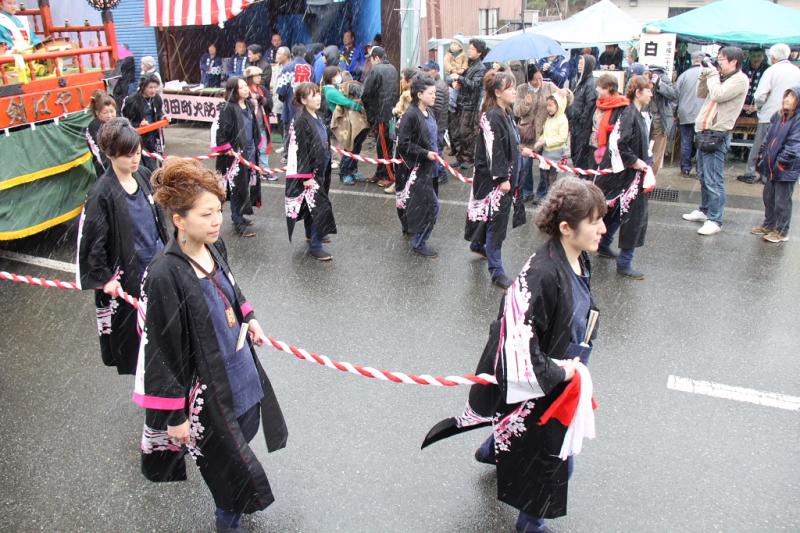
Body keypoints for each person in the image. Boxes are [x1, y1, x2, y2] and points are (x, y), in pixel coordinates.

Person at [423, 176, 605, 533]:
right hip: (542, 373)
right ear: (567, 228)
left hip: (561, 366)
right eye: (594, 221)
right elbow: (520, 346)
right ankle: (530, 522)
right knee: (556, 455)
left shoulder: (580, 259)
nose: (602, 228)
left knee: (527, 433)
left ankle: (491, 449)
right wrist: (562, 373)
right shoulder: (541, 274)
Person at [135, 158, 288, 532]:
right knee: (227, 476)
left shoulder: (215, 247)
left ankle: (238, 496)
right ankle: (229, 519)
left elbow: (233, 291)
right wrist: (176, 416)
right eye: (206, 214)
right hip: (208, 393)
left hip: (241, 377)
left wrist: (250, 318)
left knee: (242, 443)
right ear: (179, 220)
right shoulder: (164, 275)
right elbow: (161, 351)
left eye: (218, 210)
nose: (217, 220)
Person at [76, 117, 168, 375]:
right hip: (130, 277)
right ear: (110, 154)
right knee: (141, 343)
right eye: (128, 155)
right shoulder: (101, 194)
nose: (135, 159)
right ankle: (154, 394)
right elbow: (93, 242)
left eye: (137, 152)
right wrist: (105, 279)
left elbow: (157, 219)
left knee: (167, 331)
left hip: (157, 265)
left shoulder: (143, 174)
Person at [465, 71, 532, 289]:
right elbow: (494, 149)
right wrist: (502, 178)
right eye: (510, 88)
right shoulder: (492, 115)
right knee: (497, 222)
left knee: (490, 218)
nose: (514, 91)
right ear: (497, 92)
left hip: (504, 177)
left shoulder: (506, 112)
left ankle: (478, 244)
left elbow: (507, 143)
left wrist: (519, 150)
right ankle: (496, 271)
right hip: (494, 180)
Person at [682, 47, 749, 236]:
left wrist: (711, 75)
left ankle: (715, 219)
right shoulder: (720, 77)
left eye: (722, 60)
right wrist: (705, 75)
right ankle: (704, 211)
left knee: (714, 179)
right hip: (704, 130)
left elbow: (719, 95)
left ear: (734, 61)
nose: (718, 63)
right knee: (703, 176)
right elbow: (702, 93)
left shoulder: (739, 79)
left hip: (717, 134)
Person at [595, 75, 653, 280]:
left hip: (626, 174)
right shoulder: (630, 113)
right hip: (626, 175)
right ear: (638, 92)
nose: (651, 94)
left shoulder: (635, 112)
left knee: (616, 212)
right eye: (648, 90)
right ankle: (624, 262)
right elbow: (620, 143)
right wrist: (635, 161)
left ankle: (603, 244)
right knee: (632, 216)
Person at [284, 83, 337, 261]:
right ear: (303, 100)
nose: (317, 98)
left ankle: (311, 234)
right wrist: (305, 176)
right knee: (318, 207)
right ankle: (315, 246)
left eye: (317, 94)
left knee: (310, 207)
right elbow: (299, 150)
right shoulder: (300, 120)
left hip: (321, 170)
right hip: (310, 173)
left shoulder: (316, 116)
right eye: (312, 95)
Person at [739, 44, 800, 184]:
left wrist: (757, 107)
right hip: (791, 116)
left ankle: (752, 172)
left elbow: (760, 95)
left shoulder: (771, 71)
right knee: (781, 146)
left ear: (773, 58)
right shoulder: (797, 71)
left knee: (761, 145)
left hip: (769, 114)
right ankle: (772, 174)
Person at [394, 74, 440, 257]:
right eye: (431, 93)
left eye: (435, 93)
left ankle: (413, 230)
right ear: (419, 94)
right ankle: (419, 242)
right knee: (432, 206)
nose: (434, 96)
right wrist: (424, 153)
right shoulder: (411, 115)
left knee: (422, 204)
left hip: (432, 167)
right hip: (417, 168)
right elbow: (403, 144)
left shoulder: (430, 112)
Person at [514, 63, 572, 202]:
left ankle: (542, 193)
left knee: (545, 167)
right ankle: (527, 191)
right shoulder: (521, 89)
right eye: (534, 79)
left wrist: (567, 92)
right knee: (525, 166)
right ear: (529, 79)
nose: (538, 82)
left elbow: (566, 100)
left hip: (545, 133)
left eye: (540, 78)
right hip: (527, 134)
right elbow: (516, 111)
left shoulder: (549, 86)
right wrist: (526, 104)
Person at [752, 86, 800, 243]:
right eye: (786, 96)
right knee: (769, 197)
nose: (786, 99)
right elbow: (768, 138)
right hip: (772, 165)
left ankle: (781, 231)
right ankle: (769, 225)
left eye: (791, 97)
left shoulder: (797, 120)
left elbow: (794, 145)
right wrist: (762, 155)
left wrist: (781, 162)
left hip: (786, 167)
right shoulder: (778, 116)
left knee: (782, 201)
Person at [214, 77, 261, 238]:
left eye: (245, 86)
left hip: (250, 151)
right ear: (234, 91)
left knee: (246, 184)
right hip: (235, 154)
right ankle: (237, 220)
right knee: (236, 187)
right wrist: (226, 147)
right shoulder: (228, 108)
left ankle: (242, 214)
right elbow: (222, 131)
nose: (246, 89)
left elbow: (253, 126)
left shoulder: (248, 104)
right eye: (241, 87)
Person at [361, 46, 399, 188]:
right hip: (392, 114)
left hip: (382, 115)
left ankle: (389, 176)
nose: (370, 62)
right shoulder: (393, 69)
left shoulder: (376, 70)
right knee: (387, 144)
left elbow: (366, 94)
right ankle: (380, 172)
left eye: (371, 59)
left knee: (383, 146)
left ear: (376, 58)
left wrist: (370, 114)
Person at [322, 66, 367, 185]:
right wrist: (359, 107)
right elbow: (345, 102)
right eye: (337, 74)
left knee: (355, 146)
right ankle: (345, 173)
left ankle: (352, 170)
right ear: (331, 77)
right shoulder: (330, 91)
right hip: (344, 123)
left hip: (347, 121)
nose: (339, 77)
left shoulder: (334, 88)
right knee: (350, 147)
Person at [450, 38, 488, 170]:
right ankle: (460, 158)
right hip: (461, 102)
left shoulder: (480, 68)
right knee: (456, 132)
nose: (469, 51)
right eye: (469, 48)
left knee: (466, 132)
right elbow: (463, 81)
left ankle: (468, 158)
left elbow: (474, 85)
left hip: (470, 105)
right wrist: (455, 82)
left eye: (472, 49)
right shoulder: (469, 65)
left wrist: (459, 78)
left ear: (479, 52)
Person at [122, 73, 165, 172]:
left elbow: (158, 113)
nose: (153, 90)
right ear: (143, 87)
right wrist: (138, 125)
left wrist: (163, 116)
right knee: (142, 165)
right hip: (137, 138)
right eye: (150, 87)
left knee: (154, 160)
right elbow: (125, 120)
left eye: (155, 87)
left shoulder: (157, 98)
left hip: (153, 136)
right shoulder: (132, 101)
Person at [675, 52, 706, 177]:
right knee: (701, 142)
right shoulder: (707, 74)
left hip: (685, 112)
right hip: (702, 113)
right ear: (702, 60)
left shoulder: (683, 75)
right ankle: (700, 169)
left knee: (686, 140)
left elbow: (675, 95)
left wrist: (675, 112)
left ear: (693, 60)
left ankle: (685, 168)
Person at [533, 93, 569, 200]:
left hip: (556, 153)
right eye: (547, 105)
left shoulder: (562, 120)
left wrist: (546, 141)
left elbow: (562, 138)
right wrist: (540, 139)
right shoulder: (549, 118)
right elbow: (546, 133)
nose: (548, 108)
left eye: (551, 105)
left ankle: (552, 198)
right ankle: (542, 195)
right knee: (543, 176)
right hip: (546, 152)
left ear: (559, 105)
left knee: (552, 178)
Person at [276, 44, 311, 152]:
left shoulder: (287, 68)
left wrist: (285, 99)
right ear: (305, 54)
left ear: (292, 54)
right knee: (304, 129)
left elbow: (281, 89)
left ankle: (288, 154)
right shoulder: (311, 68)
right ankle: (303, 153)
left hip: (290, 104)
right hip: (306, 105)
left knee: (289, 129)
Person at [421, 60, 450, 186]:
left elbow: (436, 109)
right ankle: (438, 173)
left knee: (436, 149)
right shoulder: (435, 84)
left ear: (435, 71)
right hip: (438, 123)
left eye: (427, 70)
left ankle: (442, 174)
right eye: (424, 70)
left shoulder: (437, 86)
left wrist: (429, 122)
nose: (425, 72)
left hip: (438, 124)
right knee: (436, 149)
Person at [590, 74, 629, 168]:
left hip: (609, 147)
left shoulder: (621, 105)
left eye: (600, 87)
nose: (597, 89)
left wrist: (608, 130)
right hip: (594, 144)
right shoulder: (599, 102)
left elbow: (621, 127)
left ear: (609, 88)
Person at [645, 65, 677, 176]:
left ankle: (649, 181)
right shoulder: (640, 75)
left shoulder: (662, 77)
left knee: (656, 152)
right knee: (647, 152)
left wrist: (659, 83)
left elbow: (674, 94)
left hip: (658, 121)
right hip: (644, 120)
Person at [567, 54, 597, 171]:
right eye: (579, 63)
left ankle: (582, 177)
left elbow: (590, 103)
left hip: (583, 126)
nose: (579, 66)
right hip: (575, 123)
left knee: (581, 153)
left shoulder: (591, 83)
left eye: (582, 63)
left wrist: (583, 119)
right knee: (574, 151)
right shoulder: (577, 81)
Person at [244, 66, 273, 179]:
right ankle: (252, 170)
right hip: (249, 126)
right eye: (256, 76)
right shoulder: (245, 89)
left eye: (260, 76)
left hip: (262, 125)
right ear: (250, 78)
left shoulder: (263, 89)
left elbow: (269, 104)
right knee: (250, 149)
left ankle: (264, 171)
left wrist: (262, 99)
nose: (259, 78)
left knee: (263, 149)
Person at [85, 90, 118, 178]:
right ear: (97, 112)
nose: (110, 115)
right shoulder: (93, 127)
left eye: (112, 111)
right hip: (106, 169)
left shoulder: (120, 122)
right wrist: (110, 171)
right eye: (105, 112)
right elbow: (99, 153)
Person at [444, 37, 468, 147]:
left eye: (455, 44)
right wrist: (453, 71)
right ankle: (452, 104)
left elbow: (465, 65)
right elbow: (447, 65)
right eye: (452, 44)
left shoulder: (464, 55)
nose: (453, 46)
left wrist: (461, 70)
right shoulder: (448, 55)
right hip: (452, 75)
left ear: (459, 46)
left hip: (460, 76)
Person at [272, 46, 290, 155]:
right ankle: (285, 145)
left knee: (286, 126)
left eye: (279, 53)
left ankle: (287, 148)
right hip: (277, 100)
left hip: (285, 101)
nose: (276, 55)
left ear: (286, 56)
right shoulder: (276, 67)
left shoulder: (289, 67)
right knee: (280, 125)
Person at [742, 49, 768, 118]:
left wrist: (757, 106)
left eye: (759, 56)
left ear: (763, 56)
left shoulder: (768, 70)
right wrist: (742, 105)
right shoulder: (742, 68)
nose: (756, 59)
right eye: (753, 56)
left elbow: (768, 91)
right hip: (741, 105)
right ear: (749, 56)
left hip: (761, 107)